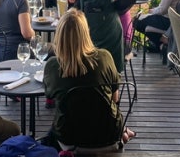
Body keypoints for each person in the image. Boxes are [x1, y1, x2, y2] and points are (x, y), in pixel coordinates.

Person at [43, 9, 135, 148]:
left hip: (69, 137)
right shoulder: (104, 57)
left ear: (59, 35)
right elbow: (115, 98)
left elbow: (50, 95)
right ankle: (123, 130)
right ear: (86, 32)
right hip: (108, 134)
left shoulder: (52, 65)